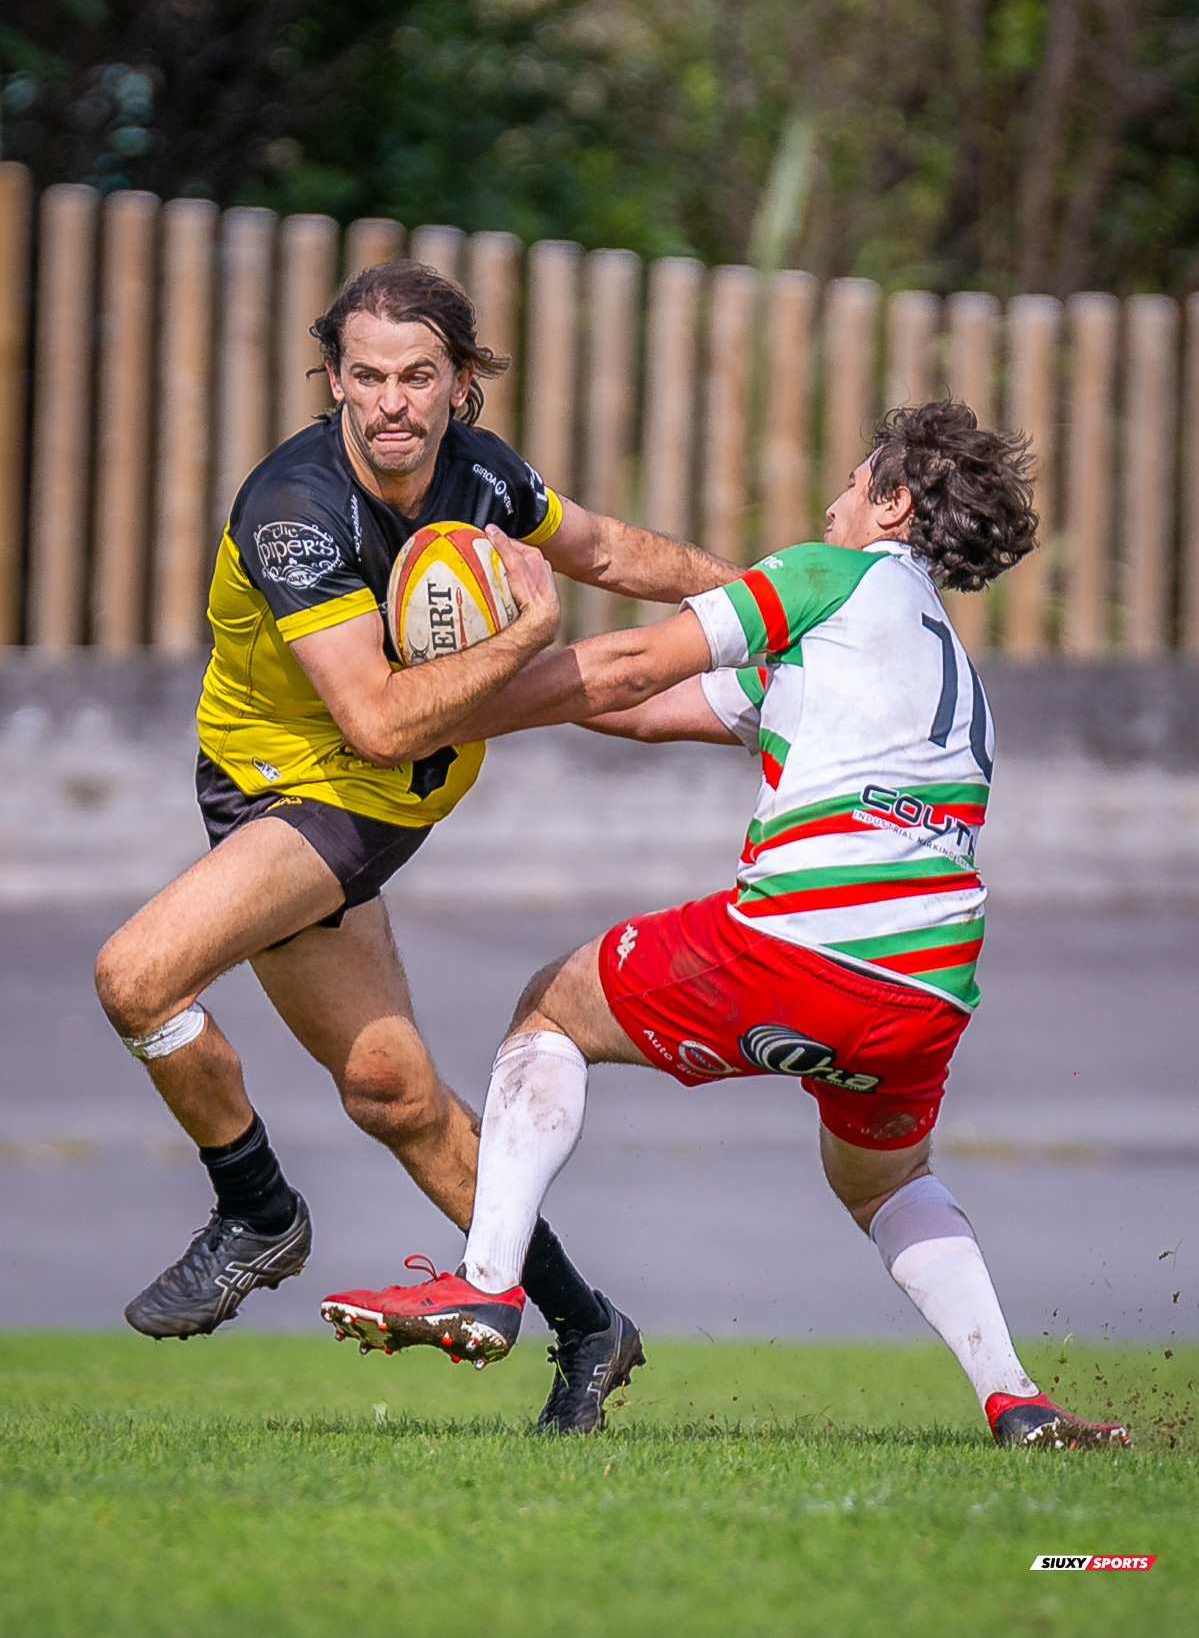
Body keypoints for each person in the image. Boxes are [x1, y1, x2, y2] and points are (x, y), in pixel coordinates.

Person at [322, 400, 1131, 1449]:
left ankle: (484, 1286)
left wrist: (421, 706)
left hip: (803, 944)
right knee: (885, 1180)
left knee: (549, 1013)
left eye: (852, 483)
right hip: (925, 995)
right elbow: (638, 710)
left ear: (891, 503)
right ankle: (1013, 1398)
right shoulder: (930, 665)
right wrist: (467, 694)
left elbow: (625, 668)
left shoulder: (824, 579)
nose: (833, 502)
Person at [94, 259, 737, 1433]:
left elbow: (604, 550)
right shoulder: (295, 510)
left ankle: (255, 1210)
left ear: (461, 383)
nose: (392, 403)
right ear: (333, 380)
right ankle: (590, 1329)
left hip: (362, 799)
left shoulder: (480, 474)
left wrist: (759, 604)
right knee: (393, 1095)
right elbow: (379, 712)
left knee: (135, 976)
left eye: (419, 377)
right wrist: (531, 633)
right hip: (282, 781)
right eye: (368, 377)